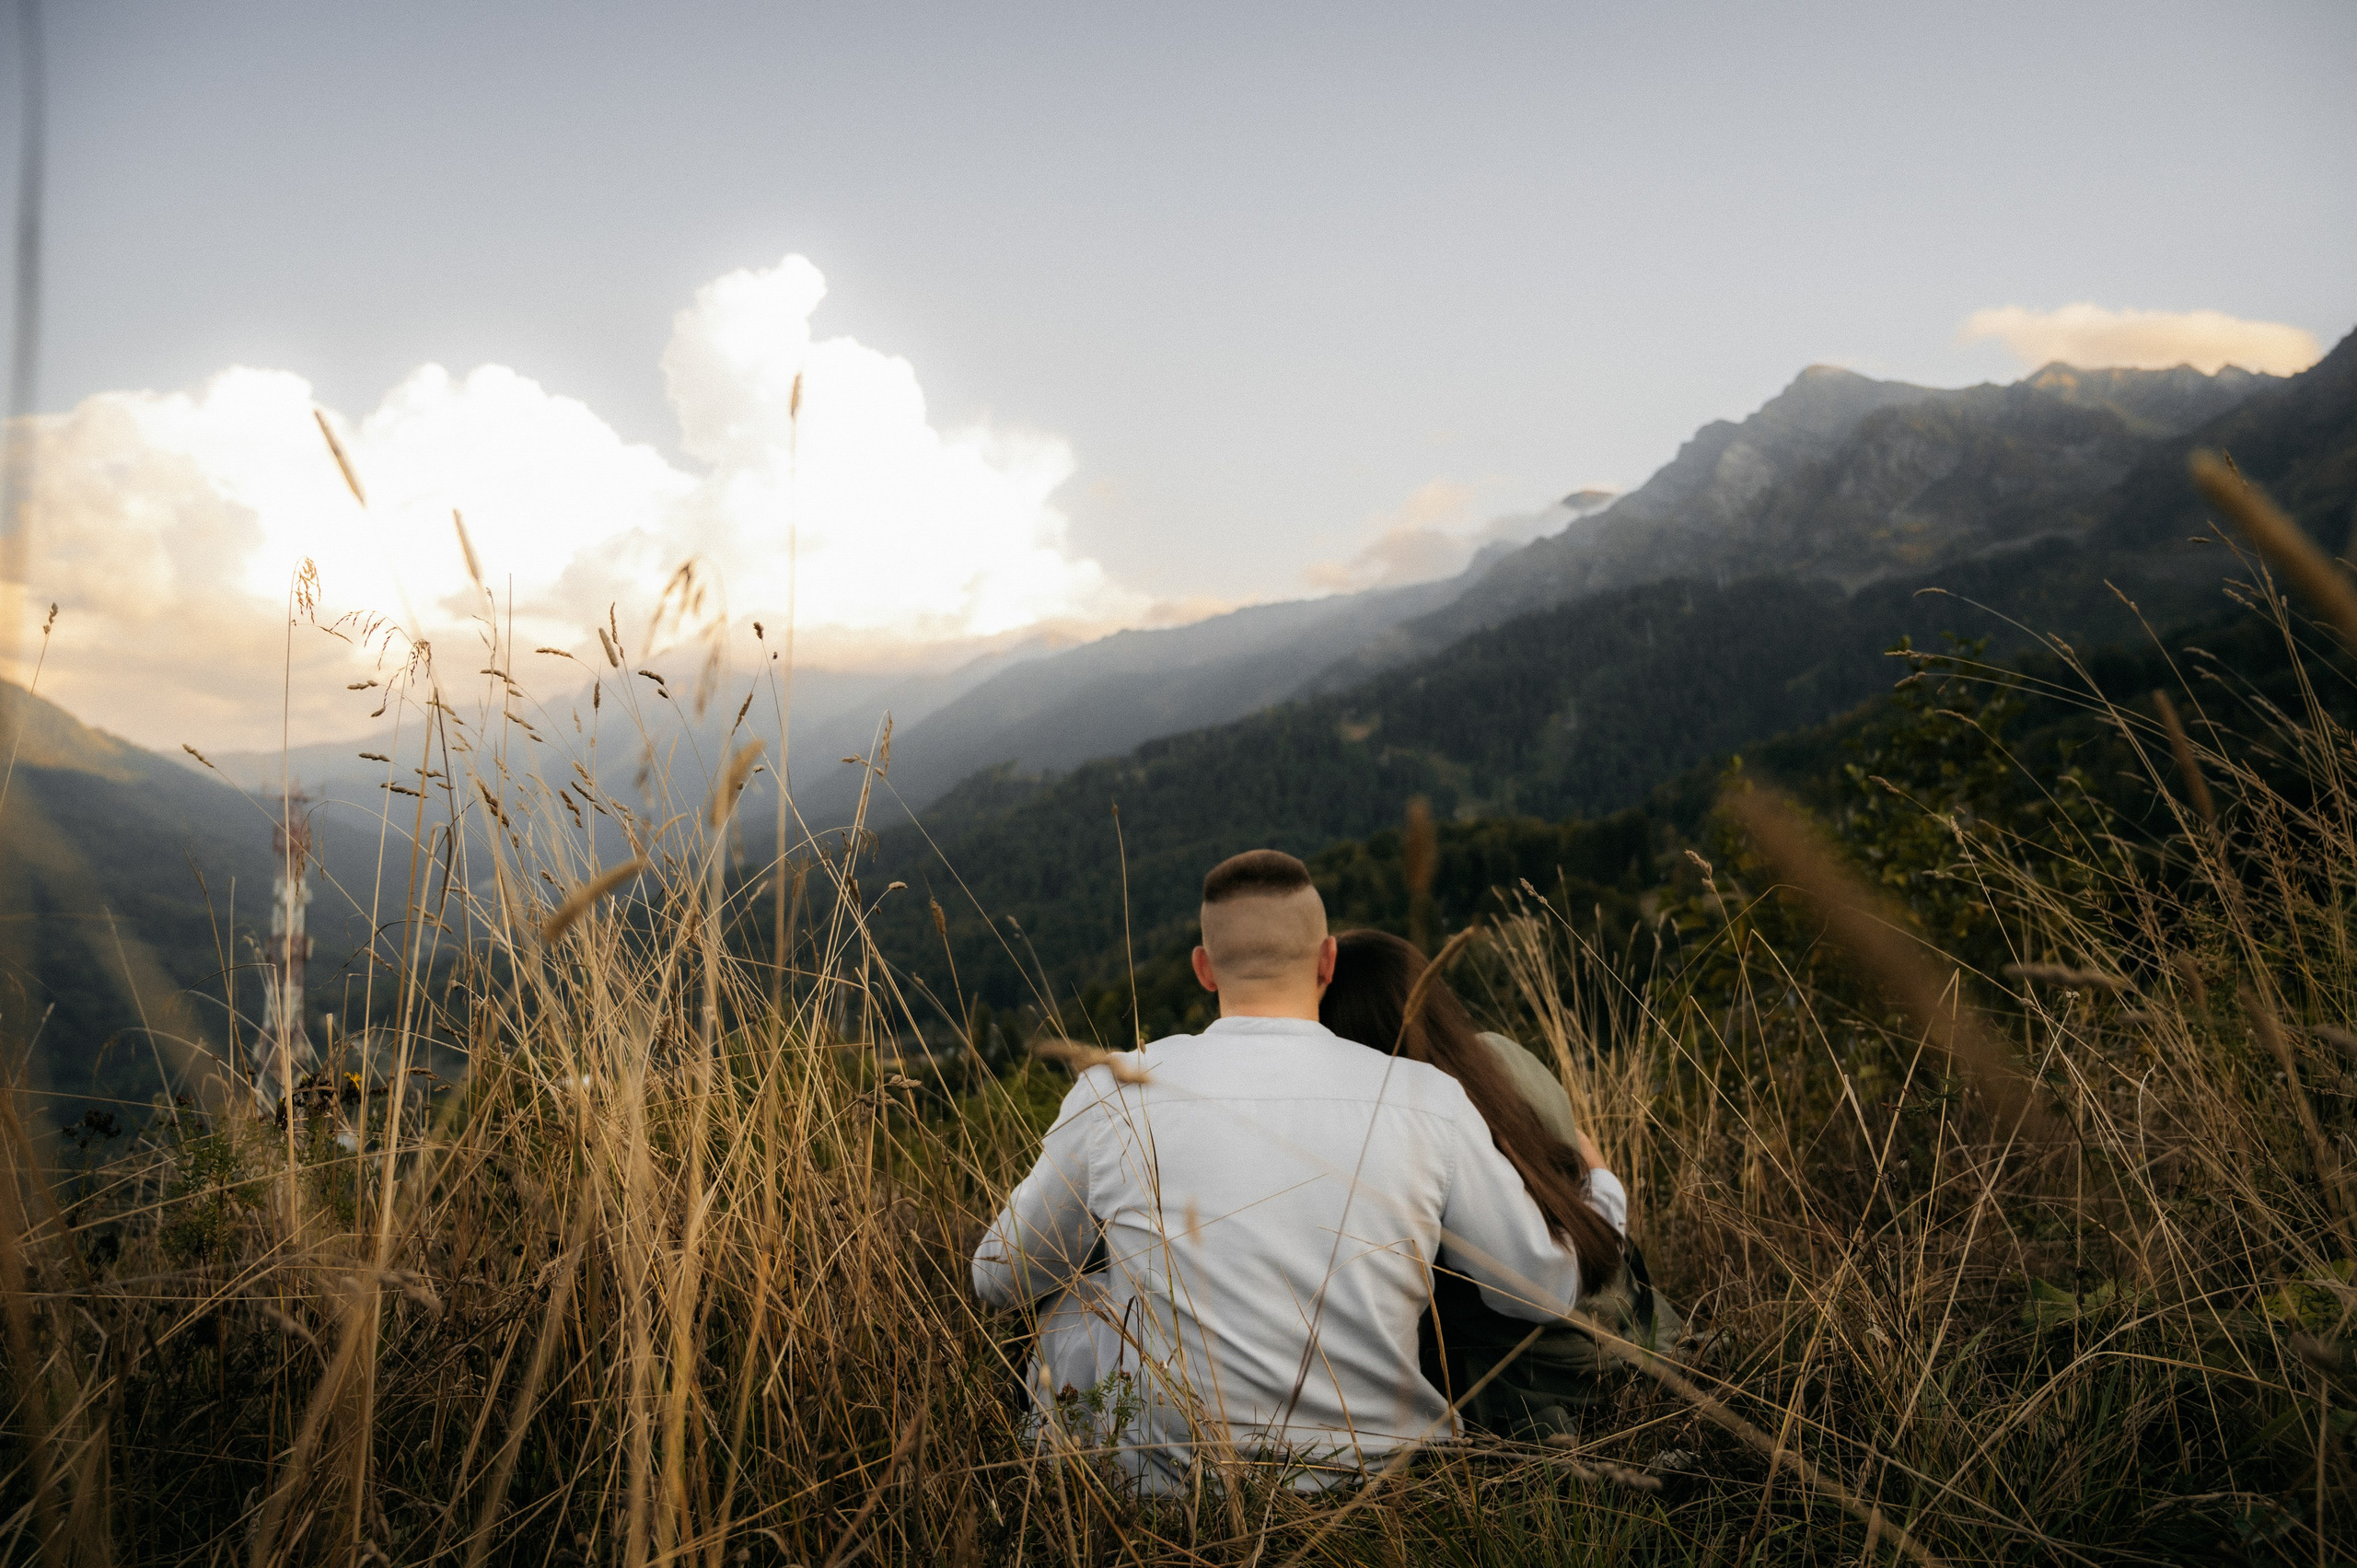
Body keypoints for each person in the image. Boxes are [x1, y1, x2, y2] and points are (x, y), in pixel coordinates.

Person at [970, 850, 1630, 1492]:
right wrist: (1603, 1192)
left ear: (1203, 969)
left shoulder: (1114, 1089)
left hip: (1178, 1483)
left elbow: (999, 1278)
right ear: (1327, 960)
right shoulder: (1430, 1097)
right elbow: (1539, 1290)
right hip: (1388, 1478)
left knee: (1084, 1295)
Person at [1319, 928, 1678, 1440]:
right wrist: (1602, 1181)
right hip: (1628, 1324)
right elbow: (1580, 1157)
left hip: (1529, 1379)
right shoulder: (1502, 1057)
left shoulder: (1396, 1129)